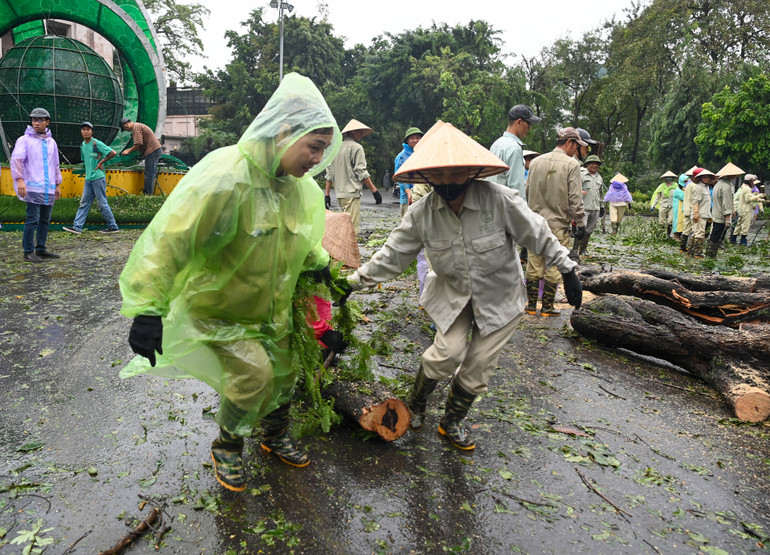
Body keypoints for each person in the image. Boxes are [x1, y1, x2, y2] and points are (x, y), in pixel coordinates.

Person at [119, 73, 342, 492]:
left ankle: (274, 436)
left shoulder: (296, 189)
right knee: (254, 376)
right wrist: (147, 308)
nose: (317, 158)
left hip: (270, 312)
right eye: (314, 146)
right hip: (218, 309)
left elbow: (302, 239)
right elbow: (170, 243)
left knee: (285, 372)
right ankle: (228, 445)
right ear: (283, 133)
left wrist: (321, 267)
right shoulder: (225, 177)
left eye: (324, 150)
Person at [346, 121, 581, 451]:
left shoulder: (499, 200)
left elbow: (538, 232)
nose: (447, 182)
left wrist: (567, 269)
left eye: (454, 173)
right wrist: (352, 283)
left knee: (476, 369)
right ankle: (417, 402)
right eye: (437, 175)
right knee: (444, 355)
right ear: (427, 175)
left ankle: (452, 421)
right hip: (452, 294)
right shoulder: (421, 214)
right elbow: (391, 256)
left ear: (470, 171)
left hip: (500, 296)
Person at [525, 127, 586, 316]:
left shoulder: (536, 162)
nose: (575, 151)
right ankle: (548, 308)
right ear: (569, 143)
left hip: (535, 222)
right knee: (554, 264)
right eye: (576, 146)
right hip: (558, 223)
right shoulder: (571, 164)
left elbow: (527, 190)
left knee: (534, 263)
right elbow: (575, 198)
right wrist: (580, 222)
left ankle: (531, 306)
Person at [11, 107, 62, 263]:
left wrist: (58, 184)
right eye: (34, 120)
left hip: (48, 188)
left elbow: (55, 165)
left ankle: (41, 248)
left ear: (47, 122)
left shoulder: (51, 141)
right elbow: (16, 160)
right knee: (32, 219)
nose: (37, 123)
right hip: (32, 187)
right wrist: (20, 180)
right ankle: (28, 251)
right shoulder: (24, 140)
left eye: (40, 120)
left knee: (45, 219)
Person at [324, 119, 382, 233]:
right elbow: (361, 172)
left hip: (340, 194)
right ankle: (349, 251)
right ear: (352, 132)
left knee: (345, 227)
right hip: (351, 193)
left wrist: (327, 195)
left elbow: (329, 173)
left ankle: (344, 250)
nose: (361, 134)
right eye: (359, 131)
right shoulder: (357, 147)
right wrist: (375, 191)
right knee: (351, 230)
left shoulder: (336, 148)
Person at [63, 122, 120, 235]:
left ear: (92, 131)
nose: (86, 131)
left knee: (102, 203)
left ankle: (113, 226)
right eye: (83, 129)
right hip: (89, 179)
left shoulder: (96, 143)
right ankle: (77, 227)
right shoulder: (83, 145)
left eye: (88, 129)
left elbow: (112, 152)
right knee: (84, 203)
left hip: (98, 178)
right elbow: (87, 160)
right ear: (81, 132)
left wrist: (102, 161)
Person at [489, 104, 542, 199]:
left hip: (492, 204)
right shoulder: (514, 148)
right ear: (519, 122)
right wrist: (522, 211)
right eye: (528, 123)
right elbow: (516, 188)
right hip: (506, 207)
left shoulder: (496, 144)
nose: (529, 128)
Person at [707, 163, 742, 258]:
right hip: (721, 215)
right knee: (716, 236)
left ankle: (710, 254)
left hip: (716, 213)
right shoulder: (726, 186)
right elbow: (726, 203)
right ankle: (711, 255)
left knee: (715, 234)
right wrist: (728, 218)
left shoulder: (719, 184)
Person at [120, 117, 162, 195]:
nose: (125, 130)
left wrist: (128, 150)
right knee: (151, 173)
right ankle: (149, 193)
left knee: (149, 173)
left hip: (153, 150)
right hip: (154, 150)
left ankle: (147, 194)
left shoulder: (136, 127)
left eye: (124, 128)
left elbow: (138, 144)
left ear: (126, 124)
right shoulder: (137, 126)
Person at [572, 154, 604, 258]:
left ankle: (583, 250)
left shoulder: (599, 177)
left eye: (596, 164)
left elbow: (601, 193)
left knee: (589, 230)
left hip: (595, 208)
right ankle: (575, 249)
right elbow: (574, 188)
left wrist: (602, 206)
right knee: (581, 229)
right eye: (592, 163)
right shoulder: (581, 175)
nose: (594, 165)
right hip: (584, 207)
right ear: (587, 164)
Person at [394, 127, 423, 217]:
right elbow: (400, 177)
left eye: (417, 138)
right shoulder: (402, 156)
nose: (415, 140)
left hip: (422, 194)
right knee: (408, 224)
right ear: (407, 140)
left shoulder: (422, 153)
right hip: (407, 197)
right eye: (412, 138)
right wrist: (408, 193)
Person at [687, 168, 716, 258]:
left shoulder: (706, 188)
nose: (706, 179)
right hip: (700, 215)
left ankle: (690, 250)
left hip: (705, 214)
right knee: (699, 234)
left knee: (696, 233)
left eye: (708, 177)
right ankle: (698, 253)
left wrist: (709, 216)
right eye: (704, 177)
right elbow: (695, 202)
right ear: (700, 178)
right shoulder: (699, 188)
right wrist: (696, 214)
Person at [732, 173, 766, 246]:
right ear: (750, 181)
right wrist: (759, 196)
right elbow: (748, 199)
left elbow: (751, 197)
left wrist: (759, 200)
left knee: (738, 225)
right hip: (745, 210)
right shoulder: (747, 189)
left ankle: (733, 240)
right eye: (753, 181)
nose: (753, 183)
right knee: (745, 226)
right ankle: (743, 242)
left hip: (741, 209)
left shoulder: (744, 188)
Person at [671, 174, 687, 241]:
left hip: (684, 208)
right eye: (685, 181)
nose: (686, 183)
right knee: (677, 221)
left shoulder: (685, 189)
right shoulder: (678, 190)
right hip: (678, 209)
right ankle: (675, 235)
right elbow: (684, 197)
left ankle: (681, 236)